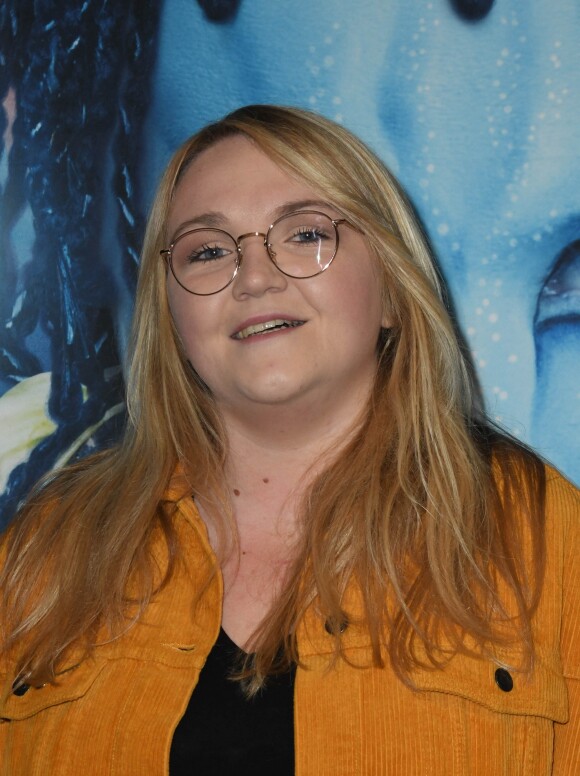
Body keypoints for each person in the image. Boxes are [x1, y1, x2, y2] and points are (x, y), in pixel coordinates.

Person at [0, 105, 578, 775]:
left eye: (304, 234)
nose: (254, 276)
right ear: (174, 320)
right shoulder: (47, 549)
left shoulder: (547, 545)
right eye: (209, 250)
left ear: (392, 291)